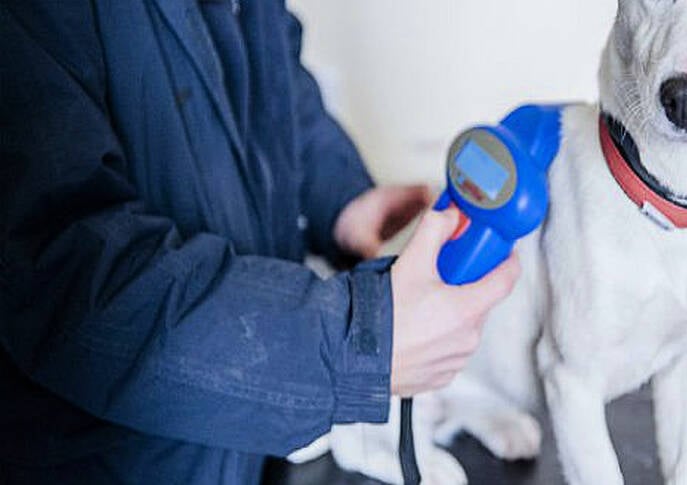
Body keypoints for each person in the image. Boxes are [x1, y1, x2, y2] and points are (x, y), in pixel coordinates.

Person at [0, 1, 519, 483]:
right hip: (115, 462)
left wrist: (338, 199)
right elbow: (60, 273)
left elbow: (277, 82)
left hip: (250, 445)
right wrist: (354, 343)